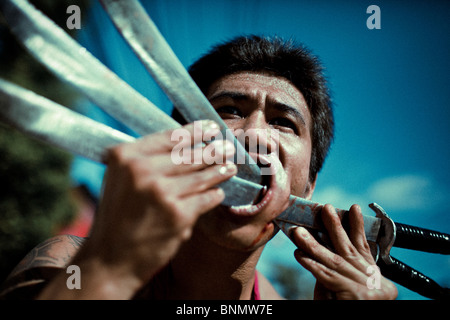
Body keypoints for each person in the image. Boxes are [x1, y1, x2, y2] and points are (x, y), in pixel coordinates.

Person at [0, 35, 397, 300]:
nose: (254, 135)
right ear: (177, 144)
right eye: (228, 111)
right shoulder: (68, 267)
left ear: (308, 186)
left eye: (283, 122)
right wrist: (110, 270)